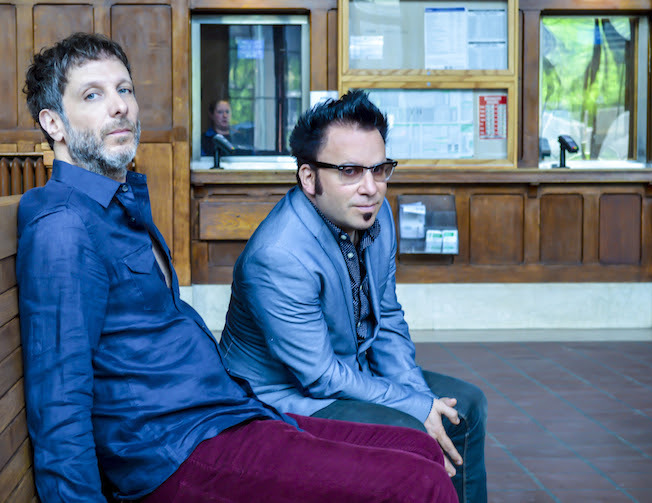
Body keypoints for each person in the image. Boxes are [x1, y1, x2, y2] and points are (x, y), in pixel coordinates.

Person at [17, 33, 458, 503]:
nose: (119, 106)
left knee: (420, 449)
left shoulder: (118, 209)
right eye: (92, 95)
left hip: (221, 414)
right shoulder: (62, 226)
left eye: (124, 89)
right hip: (174, 451)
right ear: (53, 123)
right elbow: (59, 401)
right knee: (419, 482)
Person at [220, 90, 488, 503]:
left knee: (465, 408)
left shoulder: (376, 215)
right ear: (309, 178)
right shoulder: (278, 254)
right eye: (349, 171)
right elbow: (319, 377)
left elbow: (388, 319)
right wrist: (413, 407)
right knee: (411, 431)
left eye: (379, 169)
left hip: (352, 372)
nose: (371, 188)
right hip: (284, 398)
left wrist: (419, 396)